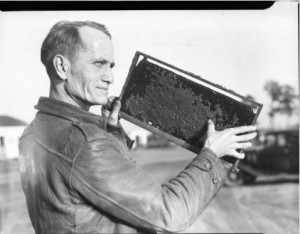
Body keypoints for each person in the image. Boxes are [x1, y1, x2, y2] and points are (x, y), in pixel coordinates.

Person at [19, 21, 257, 234]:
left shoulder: (32, 132)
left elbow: (87, 199)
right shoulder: (85, 142)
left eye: (111, 65)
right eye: (99, 64)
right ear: (62, 66)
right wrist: (212, 155)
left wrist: (111, 133)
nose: (110, 77)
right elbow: (170, 213)